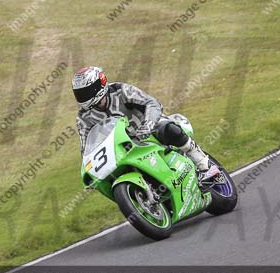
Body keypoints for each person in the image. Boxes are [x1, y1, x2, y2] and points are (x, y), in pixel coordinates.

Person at [72, 65, 220, 186]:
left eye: (85, 92)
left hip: (148, 129)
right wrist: (89, 169)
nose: (83, 97)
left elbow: (152, 103)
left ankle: (203, 164)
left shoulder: (120, 90)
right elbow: (86, 147)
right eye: (79, 93)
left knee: (168, 128)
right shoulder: (83, 118)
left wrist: (148, 124)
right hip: (123, 148)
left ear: (99, 85)